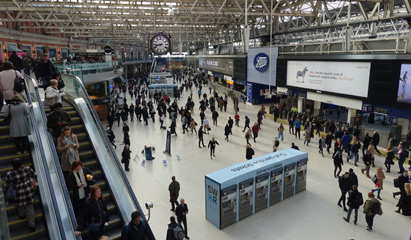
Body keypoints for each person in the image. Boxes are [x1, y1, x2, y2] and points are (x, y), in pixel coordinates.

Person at [4, 158, 37, 232]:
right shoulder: (27, 169)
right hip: (27, 191)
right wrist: (28, 180)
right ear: (21, 164)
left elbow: (6, 185)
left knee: (20, 205)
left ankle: (22, 215)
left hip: (17, 193)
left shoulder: (9, 174)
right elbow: (35, 175)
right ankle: (32, 225)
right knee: (30, 208)